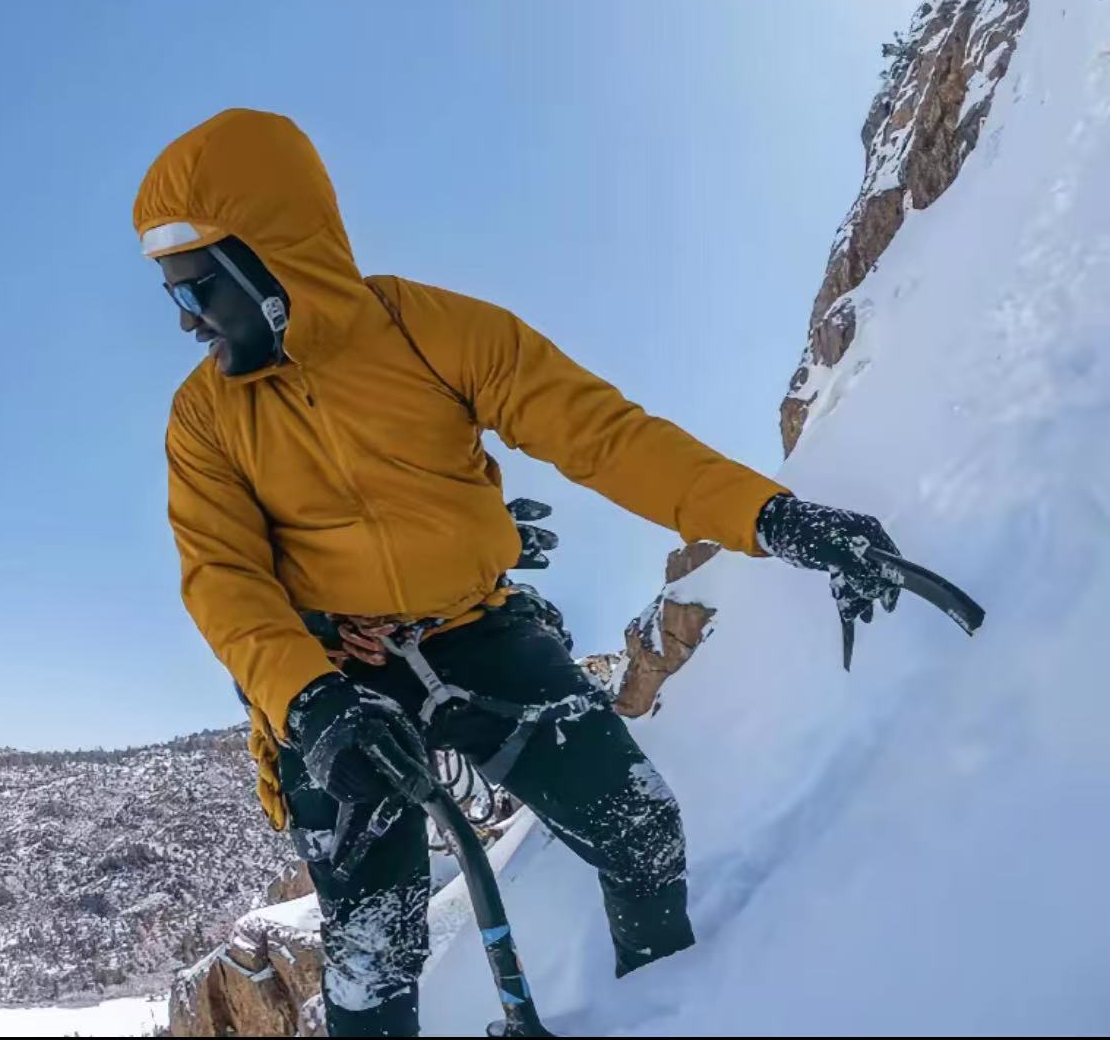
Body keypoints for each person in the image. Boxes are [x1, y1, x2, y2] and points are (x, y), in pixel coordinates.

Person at [135, 108, 902, 1038]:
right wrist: (311, 699)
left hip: (478, 627)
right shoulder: (205, 417)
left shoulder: (433, 332)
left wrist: (771, 516)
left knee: (640, 827)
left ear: (267, 258)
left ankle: (664, 1013)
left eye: (195, 287)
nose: (184, 318)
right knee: (373, 948)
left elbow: (606, 437)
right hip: (328, 671)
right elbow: (223, 575)